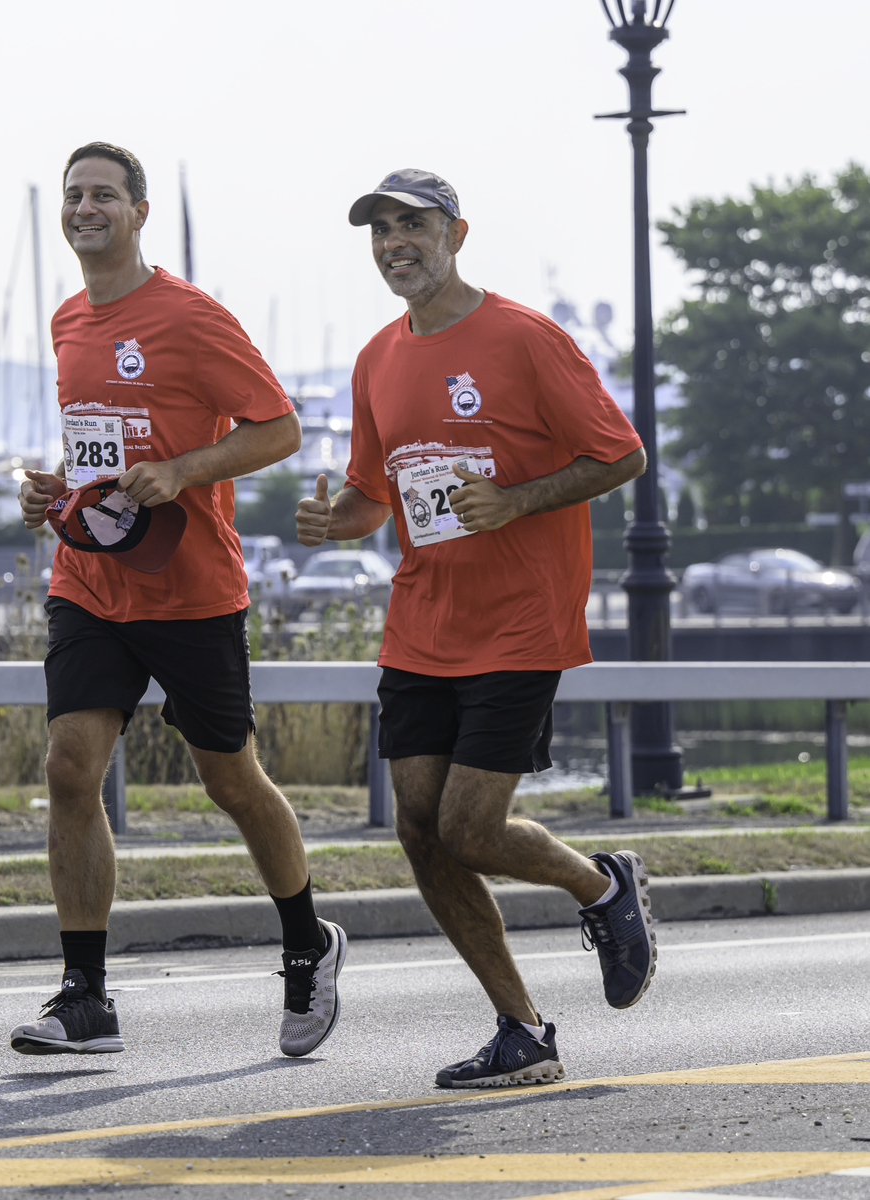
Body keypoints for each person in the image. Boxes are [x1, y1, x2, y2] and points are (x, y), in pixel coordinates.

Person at [296, 170, 653, 1089]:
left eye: (410, 224)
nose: (392, 242)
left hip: (521, 623)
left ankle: (600, 885)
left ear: (457, 233)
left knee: (470, 827)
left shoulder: (525, 337)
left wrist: (518, 499)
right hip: (421, 625)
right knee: (420, 829)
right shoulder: (377, 357)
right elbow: (376, 496)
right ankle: (523, 1030)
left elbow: (619, 454)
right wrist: (336, 519)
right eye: (379, 229)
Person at [11, 142, 347, 1059]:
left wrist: (183, 471)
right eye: (75, 195)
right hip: (90, 580)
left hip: (192, 589)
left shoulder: (192, 317)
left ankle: (308, 945)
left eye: (104, 195)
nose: (86, 208)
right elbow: (98, 450)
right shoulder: (67, 322)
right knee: (69, 767)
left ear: (139, 211)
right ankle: (86, 998)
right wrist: (53, 492)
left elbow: (277, 426)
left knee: (229, 780)